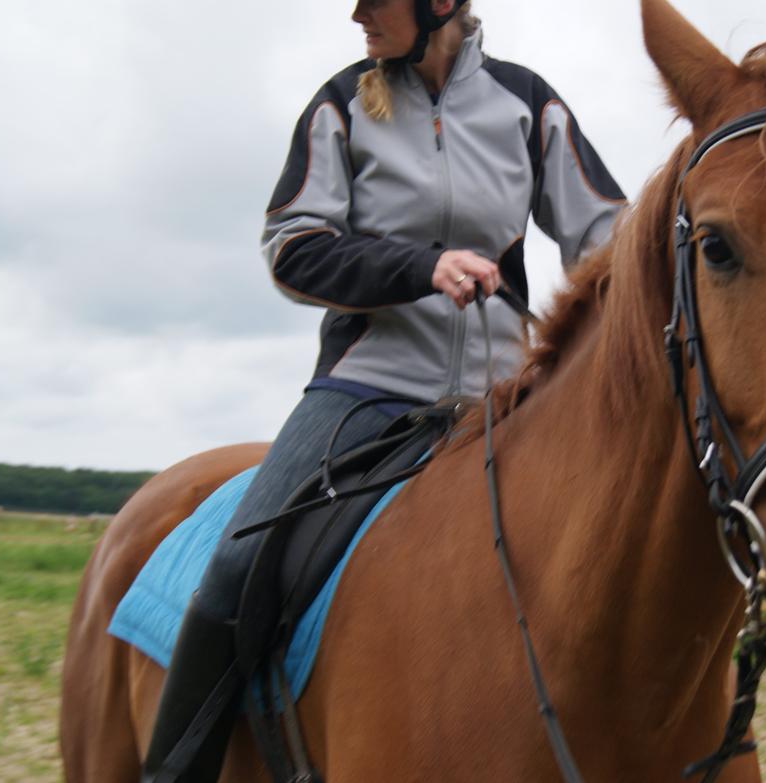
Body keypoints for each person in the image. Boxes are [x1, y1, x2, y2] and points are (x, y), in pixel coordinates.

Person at [140, 1, 625, 780]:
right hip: (365, 391)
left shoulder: (529, 104)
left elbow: (610, 239)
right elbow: (292, 247)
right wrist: (418, 267)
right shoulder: (340, 105)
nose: (357, 13)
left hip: (504, 402)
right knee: (236, 565)